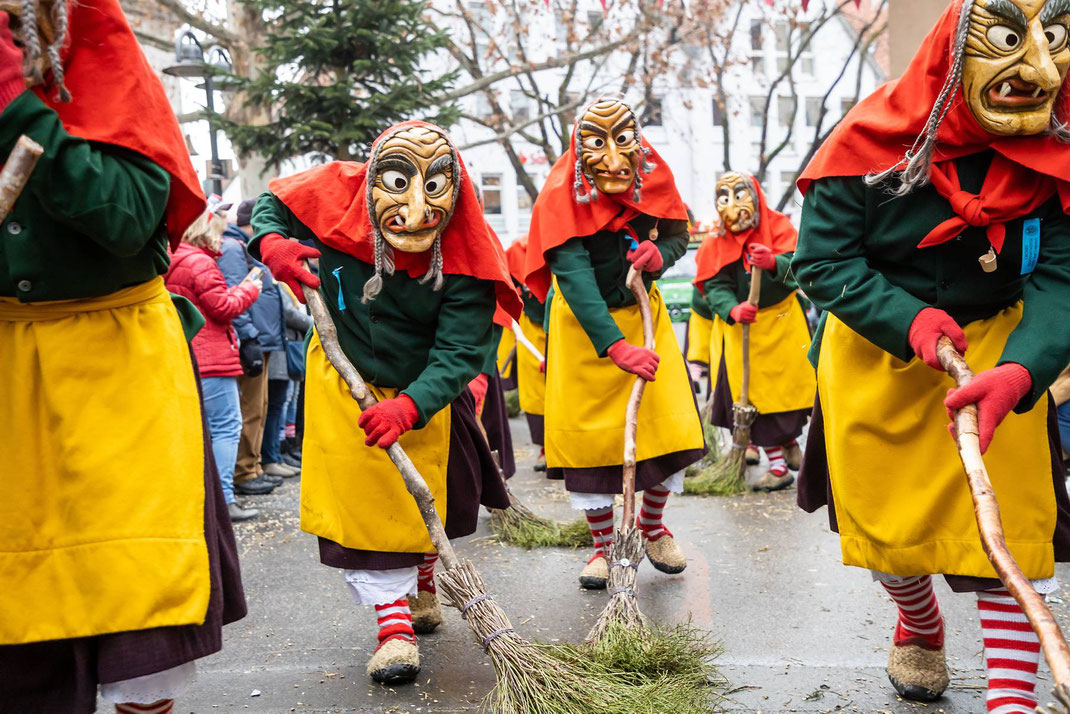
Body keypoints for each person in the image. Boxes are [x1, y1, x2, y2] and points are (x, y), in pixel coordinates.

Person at [793, 1, 1070, 709]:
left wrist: (1021, 369)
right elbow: (823, 262)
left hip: (999, 346)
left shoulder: (1061, 152)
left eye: (1057, 41)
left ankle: (1014, 698)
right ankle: (918, 619)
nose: (1037, 66)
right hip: (878, 353)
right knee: (890, 532)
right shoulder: (863, 142)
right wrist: (909, 321)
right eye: (1009, 42)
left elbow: (1063, 274)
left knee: (1012, 528)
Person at [0, 2, 246, 711]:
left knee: (134, 600)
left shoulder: (102, 58)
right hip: (11, 372)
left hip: (113, 368)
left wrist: (17, 105)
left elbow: (127, 218)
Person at [250, 121, 521, 685]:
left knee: (421, 497)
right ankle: (393, 627)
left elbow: (460, 348)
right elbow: (272, 204)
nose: (417, 211)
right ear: (372, 182)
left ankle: (423, 576)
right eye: (398, 185)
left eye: (435, 191)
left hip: (420, 391)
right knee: (367, 503)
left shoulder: (470, 254)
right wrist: (270, 243)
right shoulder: (332, 193)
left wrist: (412, 405)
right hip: (343, 376)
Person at [524, 98, 705, 590]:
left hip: (645, 317)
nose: (610, 157)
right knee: (591, 440)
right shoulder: (561, 196)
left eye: (621, 140)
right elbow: (574, 277)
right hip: (584, 332)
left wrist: (658, 254)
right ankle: (604, 547)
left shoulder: (654, 177)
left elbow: (676, 233)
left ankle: (651, 526)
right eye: (596, 144)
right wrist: (614, 345)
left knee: (664, 426)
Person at [695, 171, 814, 491]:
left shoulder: (778, 227)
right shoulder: (715, 240)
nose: (733, 207)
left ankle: (788, 446)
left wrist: (775, 263)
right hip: (742, 336)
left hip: (782, 327)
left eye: (740, 196)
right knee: (753, 404)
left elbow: (800, 265)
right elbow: (714, 283)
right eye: (725, 198)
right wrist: (732, 308)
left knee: (787, 398)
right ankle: (778, 466)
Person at [165, 210, 263, 522]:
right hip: (212, 358)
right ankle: (225, 500)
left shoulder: (174, 258)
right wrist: (250, 289)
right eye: (218, 232)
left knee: (200, 431)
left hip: (189, 355)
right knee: (226, 427)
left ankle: (204, 500)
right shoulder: (200, 262)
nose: (221, 238)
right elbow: (223, 307)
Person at [219, 199, 294, 494]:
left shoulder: (245, 250)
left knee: (259, 407)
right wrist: (249, 336)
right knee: (251, 408)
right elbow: (236, 294)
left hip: (263, 338)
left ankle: (255, 465)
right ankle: (245, 471)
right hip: (254, 338)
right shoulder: (234, 250)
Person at [505, 235, 548, 470]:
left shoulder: (556, 245)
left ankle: (565, 450)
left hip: (563, 322)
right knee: (535, 393)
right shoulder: (513, 254)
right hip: (529, 329)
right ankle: (544, 450)